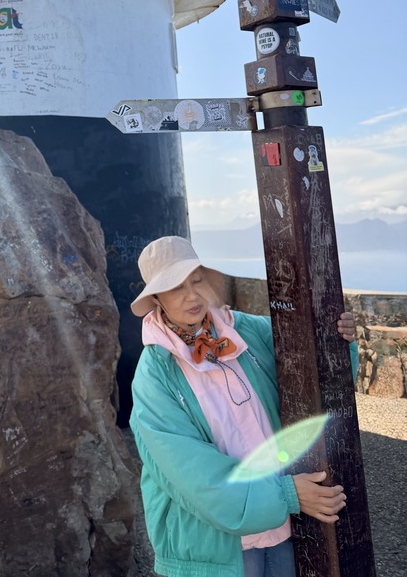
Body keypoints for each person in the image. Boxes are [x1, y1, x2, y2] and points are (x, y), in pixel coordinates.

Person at [129, 236, 357, 577]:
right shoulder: (154, 376)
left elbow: (313, 373)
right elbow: (193, 474)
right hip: (216, 546)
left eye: (196, 280)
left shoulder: (243, 330)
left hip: (281, 526)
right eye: (176, 288)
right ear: (156, 299)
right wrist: (286, 496)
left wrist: (337, 340)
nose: (192, 295)